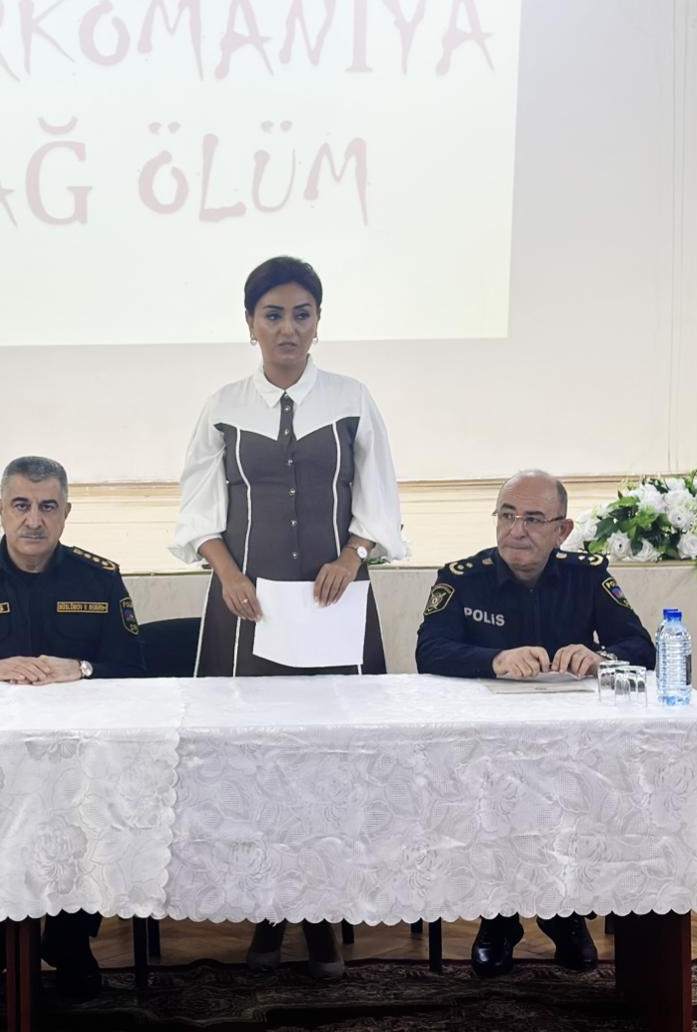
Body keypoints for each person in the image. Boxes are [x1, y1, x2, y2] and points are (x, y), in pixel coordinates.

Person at [170, 255, 405, 979]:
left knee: (331, 765)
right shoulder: (221, 406)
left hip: (333, 607)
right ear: (250, 324)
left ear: (317, 322)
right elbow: (199, 513)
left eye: (301, 314)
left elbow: (378, 500)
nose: (287, 329)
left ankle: (325, 918)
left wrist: (353, 553)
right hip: (250, 613)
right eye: (272, 315)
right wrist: (229, 574)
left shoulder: (351, 398)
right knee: (257, 764)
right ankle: (267, 912)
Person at [0, 454, 145, 1002]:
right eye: (21, 505)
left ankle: (69, 942)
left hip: (78, 757)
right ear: (1, 510)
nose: (34, 520)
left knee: (90, 812)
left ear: (66, 512)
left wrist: (81, 668)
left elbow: (138, 671)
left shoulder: (100, 578)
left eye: (47, 507)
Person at [415, 469, 656, 978]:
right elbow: (429, 650)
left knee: (581, 796)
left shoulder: (587, 575)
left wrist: (600, 656)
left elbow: (642, 647)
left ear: (561, 531)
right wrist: (494, 660)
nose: (516, 530)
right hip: (485, 743)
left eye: (532, 519)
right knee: (491, 799)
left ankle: (565, 912)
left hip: (572, 745)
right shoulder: (462, 577)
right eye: (507, 515)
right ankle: (498, 920)